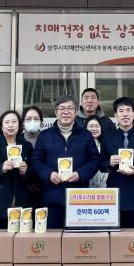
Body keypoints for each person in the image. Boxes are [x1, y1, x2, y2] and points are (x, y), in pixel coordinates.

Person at [31, 95, 100, 228]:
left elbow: (95, 160)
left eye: (70, 108)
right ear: (56, 112)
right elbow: (36, 161)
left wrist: (80, 174)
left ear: (75, 111)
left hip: (78, 197)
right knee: (52, 237)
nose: (66, 112)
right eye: (62, 108)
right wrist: (49, 174)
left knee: (76, 237)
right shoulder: (45, 135)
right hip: (51, 197)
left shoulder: (85, 135)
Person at [100, 97, 134, 228]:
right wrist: (109, 163)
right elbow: (101, 164)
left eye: (128, 110)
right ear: (115, 115)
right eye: (121, 111)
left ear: (133, 114)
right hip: (115, 194)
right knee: (115, 236)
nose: (125, 114)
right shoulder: (107, 138)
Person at [21, 106, 44, 208]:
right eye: (28, 119)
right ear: (23, 122)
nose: (32, 121)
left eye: (36, 119)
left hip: (44, 190)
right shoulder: (17, 140)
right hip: (23, 191)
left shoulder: (47, 139)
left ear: (41, 122)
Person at [86, 115, 108, 188]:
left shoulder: (106, 144)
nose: (94, 129)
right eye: (91, 126)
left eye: (97, 126)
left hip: (104, 185)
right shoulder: (81, 146)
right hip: (86, 186)